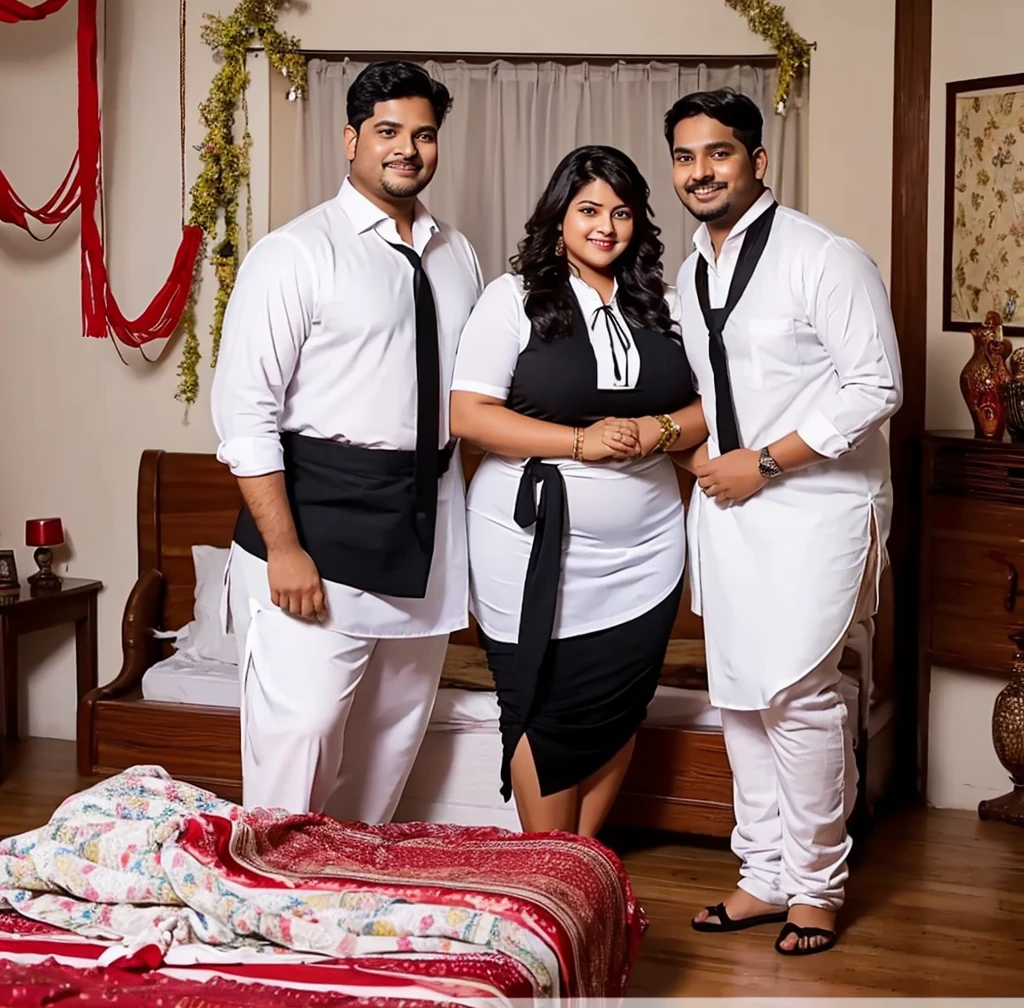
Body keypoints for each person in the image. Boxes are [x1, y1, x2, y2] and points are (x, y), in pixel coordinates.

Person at [210, 61, 484, 822]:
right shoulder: (294, 254)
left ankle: (344, 913)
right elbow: (244, 415)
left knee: (390, 745)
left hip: (424, 524)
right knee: (299, 741)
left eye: (423, 134)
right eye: (388, 132)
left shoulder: (457, 255)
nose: (408, 149)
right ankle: (267, 908)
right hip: (318, 526)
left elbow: (469, 404)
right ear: (350, 140)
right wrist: (285, 547)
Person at [664, 88, 902, 955]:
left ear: (757, 162)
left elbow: (876, 386)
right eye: (686, 157)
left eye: (719, 154)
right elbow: (714, 395)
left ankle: (817, 886)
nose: (702, 172)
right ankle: (763, 874)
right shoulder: (690, 273)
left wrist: (762, 461)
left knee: (797, 692)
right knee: (738, 697)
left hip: (817, 506)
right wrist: (692, 447)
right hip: (728, 511)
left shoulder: (823, 256)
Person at [450, 145, 707, 838]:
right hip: (529, 545)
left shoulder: (666, 304)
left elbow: (715, 408)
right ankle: (548, 871)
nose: (606, 227)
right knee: (542, 701)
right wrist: (579, 443)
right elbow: (470, 415)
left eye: (621, 213)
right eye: (589, 210)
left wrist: (655, 428)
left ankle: (579, 866)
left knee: (619, 701)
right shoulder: (514, 300)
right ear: (558, 215)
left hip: (648, 548)